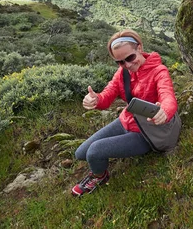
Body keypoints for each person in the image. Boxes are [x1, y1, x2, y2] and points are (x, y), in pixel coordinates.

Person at [71, 29, 180, 197]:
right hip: (125, 121)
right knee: (80, 153)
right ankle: (102, 165)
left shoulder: (159, 71)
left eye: (130, 58)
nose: (127, 65)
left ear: (139, 48)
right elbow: (107, 95)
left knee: (94, 152)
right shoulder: (123, 73)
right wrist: (95, 100)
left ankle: (99, 176)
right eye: (120, 62)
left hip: (146, 132)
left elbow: (168, 96)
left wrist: (164, 111)